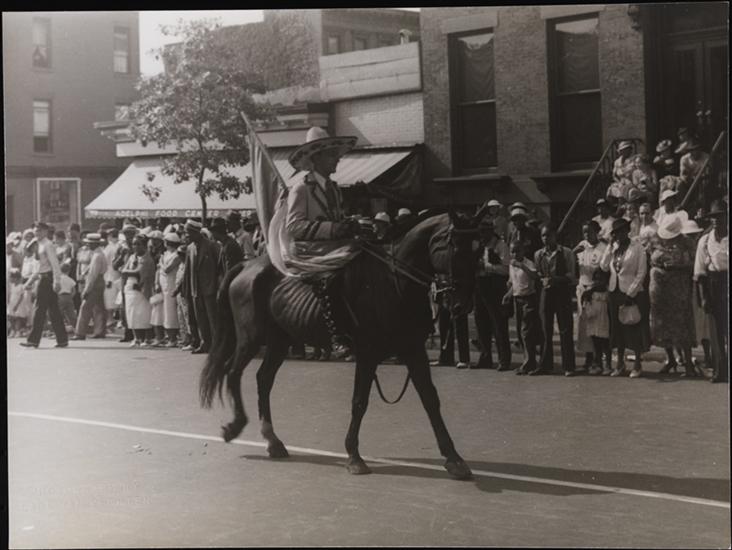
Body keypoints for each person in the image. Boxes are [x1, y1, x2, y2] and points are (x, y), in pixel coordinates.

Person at [284, 126, 360, 355]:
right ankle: (337, 335)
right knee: (333, 278)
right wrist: (333, 229)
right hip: (311, 251)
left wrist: (349, 225)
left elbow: (337, 220)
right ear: (316, 158)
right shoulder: (300, 189)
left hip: (335, 247)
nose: (337, 159)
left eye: (336, 154)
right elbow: (293, 227)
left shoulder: (334, 189)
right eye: (331, 155)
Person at [648, 215, 698, 376]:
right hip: (660, 288)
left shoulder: (687, 243)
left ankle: (688, 363)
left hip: (679, 289)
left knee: (682, 324)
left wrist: (678, 265)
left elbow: (695, 264)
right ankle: (670, 359)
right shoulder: (655, 241)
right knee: (662, 324)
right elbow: (651, 259)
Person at [600, 218, 647, 378]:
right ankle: (620, 364)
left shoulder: (637, 247)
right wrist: (609, 246)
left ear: (627, 231)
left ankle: (637, 364)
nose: (618, 235)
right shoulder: (614, 247)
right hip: (615, 291)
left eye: (621, 231)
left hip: (631, 292)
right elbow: (603, 266)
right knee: (617, 329)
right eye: (615, 233)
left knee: (633, 327)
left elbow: (641, 272)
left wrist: (631, 293)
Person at [534, 224, 577, 376]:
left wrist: (556, 279)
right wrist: (542, 280)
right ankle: (545, 364)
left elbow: (572, 277)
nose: (546, 239)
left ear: (555, 236)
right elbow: (538, 274)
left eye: (548, 235)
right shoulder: (538, 254)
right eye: (543, 236)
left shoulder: (566, 253)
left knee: (565, 329)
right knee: (545, 329)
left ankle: (569, 366)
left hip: (562, 292)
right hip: (546, 293)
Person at [694, 200, 728, 383]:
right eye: (713, 217)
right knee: (716, 332)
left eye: (720, 216)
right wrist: (703, 297)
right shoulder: (705, 241)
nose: (716, 220)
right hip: (713, 285)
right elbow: (700, 272)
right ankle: (720, 370)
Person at [20, 222, 68, 348]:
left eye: (40, 230)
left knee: (39, 309)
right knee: (53, 310)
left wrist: (57, 280)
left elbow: (55, 264)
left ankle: (33, 340)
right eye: (36, 230)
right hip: (43, 277)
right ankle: (62, 339)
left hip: (47, 279)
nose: (37, 233)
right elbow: (38, 267)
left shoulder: (48, 245)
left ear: (46, 231)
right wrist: (30, 282)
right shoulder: (38, 244)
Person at [473, 218, 511, 370]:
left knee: (498, 324)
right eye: (480, 232)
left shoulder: (501, 246)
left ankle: (504, 359)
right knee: (481, 323)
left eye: (484, 231)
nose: (482, 235)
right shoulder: (479, 246)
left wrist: (486, 266)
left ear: (491, 231)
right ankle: (485, 358)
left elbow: (506, 269)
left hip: (495, 286)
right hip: (479, 286)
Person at [573, 220, 610, 375]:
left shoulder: (603, 248)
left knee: (598, 329)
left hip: (596, 291)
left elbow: (605, 273)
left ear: (597, 231)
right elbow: (574, 267)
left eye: (590, 231)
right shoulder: (581, 247)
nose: (587, 235)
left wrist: (593, 288)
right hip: (582, 290)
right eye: (584, 232)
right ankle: (588, 360)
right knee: (584, 328)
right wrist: (573, 252)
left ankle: (599, 361)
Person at [503, 241, 541, 375]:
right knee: (520, 332)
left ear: (523, 251)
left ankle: (529, 363)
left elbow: (535, 276)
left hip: (528, 298)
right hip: (517, 299)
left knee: (526, 331)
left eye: (517, 251)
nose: (514, 254)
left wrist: (522, 266)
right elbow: (513, 283)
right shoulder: (511, 265)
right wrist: (507, 295)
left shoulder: (528, 263)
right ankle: (528, 360)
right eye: (512, 251)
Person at [183, 219, 220, 354]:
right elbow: (187, 271)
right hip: (195, 289)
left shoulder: (212, 246)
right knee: (200, 319)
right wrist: (186, 290)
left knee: (213, 319)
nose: (186, 236)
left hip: (210, 289)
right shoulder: (190, 248)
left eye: (188, 233)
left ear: (196, 232)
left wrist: (218, 287)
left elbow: (219, 268)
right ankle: (205, 343)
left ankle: (217, 345)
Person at [683, 219, 713, 373]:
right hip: (688, 289)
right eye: (688, 235)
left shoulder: (702, 247)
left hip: (701, 288)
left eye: (693, 235)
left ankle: (709, 357)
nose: (691, 238)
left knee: (705, 323)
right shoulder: (683, 251)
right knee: (691, 324)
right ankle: (687, 360)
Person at [71, 233, 108, 340]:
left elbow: (92, 275)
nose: (88, 245)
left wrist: (87, 289)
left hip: (95, 282)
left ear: (95, 244)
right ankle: (100, 331)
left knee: (85, 307)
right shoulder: (99, 254)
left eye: (90, 243)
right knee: (99, 307)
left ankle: (80, 333)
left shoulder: (96, 256)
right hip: (100, 281)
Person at [121, 235, 155, 347]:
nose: (135, 246)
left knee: (143, 313)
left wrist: (128, 272)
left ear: (144, 246)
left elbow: (139, 272)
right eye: (134, 244)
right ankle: (137, 338)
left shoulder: (147, 258)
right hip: (130, 287)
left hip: (142, 288)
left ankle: (147, 338)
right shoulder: (132, 257)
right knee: (132, 313)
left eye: (138, 244)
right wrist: (129, 272)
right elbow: (123, 270)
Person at [113, 224, 139, 343]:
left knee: (137, 305)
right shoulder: (122, 248)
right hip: (124, 278)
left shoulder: (139, 245)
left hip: (137, 277)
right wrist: (122, 255)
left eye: (131, 234)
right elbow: (114, 265)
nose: (129, 237)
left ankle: (138, 332)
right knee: (125, 306)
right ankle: (128, 332)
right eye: (126, 234)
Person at [159, 232, 182, 347]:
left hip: (172, 285)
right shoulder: (166, 254)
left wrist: (161, 263)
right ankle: (169, 336)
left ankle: (173, 338)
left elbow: (167, 269)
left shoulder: (176, 255)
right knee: (166, 311)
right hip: (165, 286)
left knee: (171, 312)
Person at [7, 269, 30, 337]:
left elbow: (21, 297)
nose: (10, 279)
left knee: (18, 318)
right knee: (11, 317)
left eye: (11, 278)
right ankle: (13, 330)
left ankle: (18, 331)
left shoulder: (21, 286)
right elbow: (10, 294)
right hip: (12, 303)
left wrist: (17, 305)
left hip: (19, 304)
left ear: (16, 278)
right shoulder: (12, 286)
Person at [57, 263, 78, 333]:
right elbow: (74, 291)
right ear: (69, 271)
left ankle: (59, 329)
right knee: (71, 313)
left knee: (58, 313)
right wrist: (70, 297)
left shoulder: (58, 279)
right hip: (68, 296)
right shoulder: (70, 279)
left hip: (60, 296)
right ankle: (76, 328)